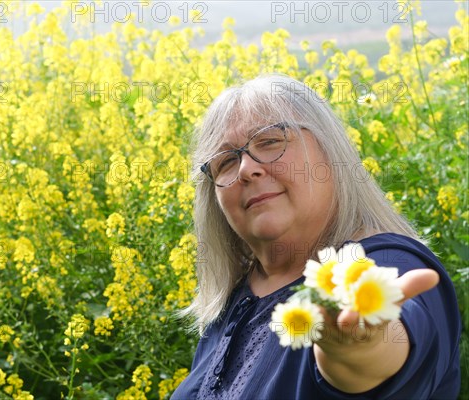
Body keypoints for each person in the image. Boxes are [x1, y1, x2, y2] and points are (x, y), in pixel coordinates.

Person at [171, 74, 461, 399]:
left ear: (330, 150)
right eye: (226, 161)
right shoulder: (238, 298)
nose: (245, 169)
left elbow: (386, 343)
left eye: (269, 141)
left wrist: (358, 350)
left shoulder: (383, 264)